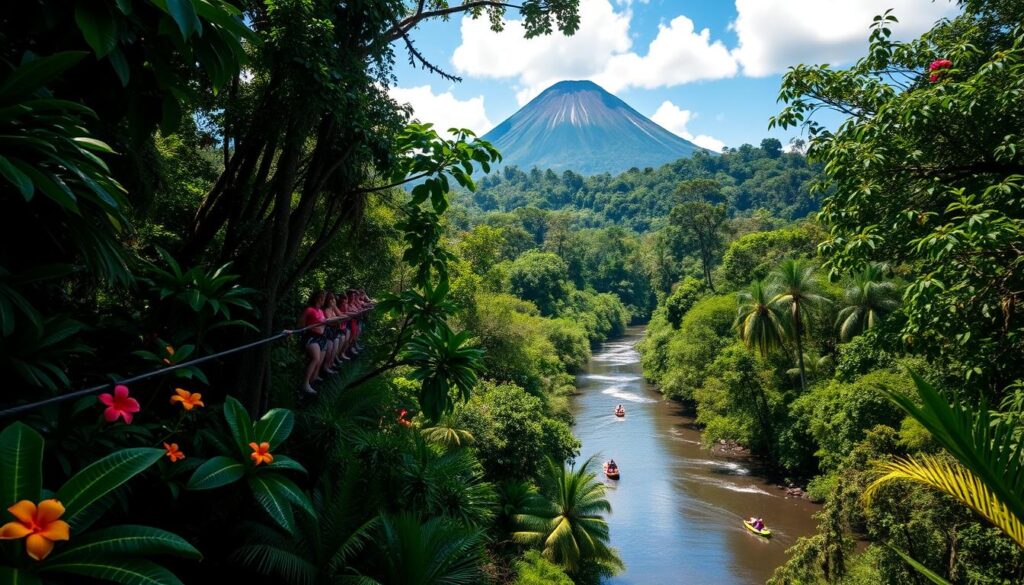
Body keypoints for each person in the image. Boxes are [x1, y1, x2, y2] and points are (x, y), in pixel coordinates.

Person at [298, 290, 327, 394]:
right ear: (316, 298)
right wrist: (308, 328)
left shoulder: (321, 311)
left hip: (320, 338)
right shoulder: (309, 310)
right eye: (321, 297)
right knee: (316, 358)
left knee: (318, 361)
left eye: (323, 298)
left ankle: (310, 383)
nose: (323, 299)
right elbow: (301, 325)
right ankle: (305, 384)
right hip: (310, 337)